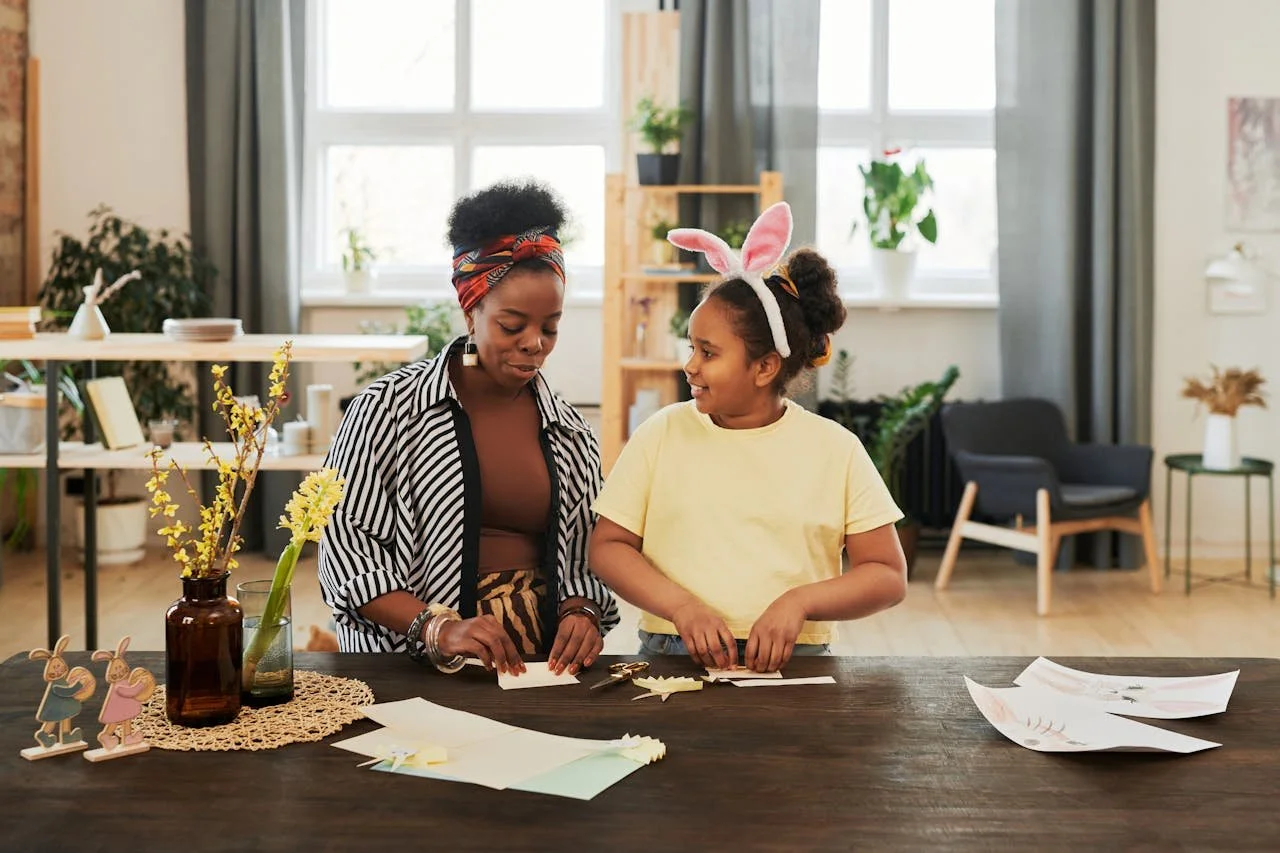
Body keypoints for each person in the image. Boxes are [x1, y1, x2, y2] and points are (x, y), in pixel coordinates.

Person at [589, 202, 907, 673]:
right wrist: (682, 608)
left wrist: (799, 603)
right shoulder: (660, 434)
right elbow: (608, 547)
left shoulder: (835, 450)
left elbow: (886, 575)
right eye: (692, 347)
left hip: (797, 661)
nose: (690, 365)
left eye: (709, 352)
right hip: (670, 657)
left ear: (764, 367)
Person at [318, 180, 617, 676]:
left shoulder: (570, 432)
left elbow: (588, 553)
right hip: (408, 667)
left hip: (538, 672)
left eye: (550, 327)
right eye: (512, 324)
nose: (534, 344)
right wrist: (439, 629)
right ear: (470, 310)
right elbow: (347, 555)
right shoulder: (387, 412)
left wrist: (582, 610)